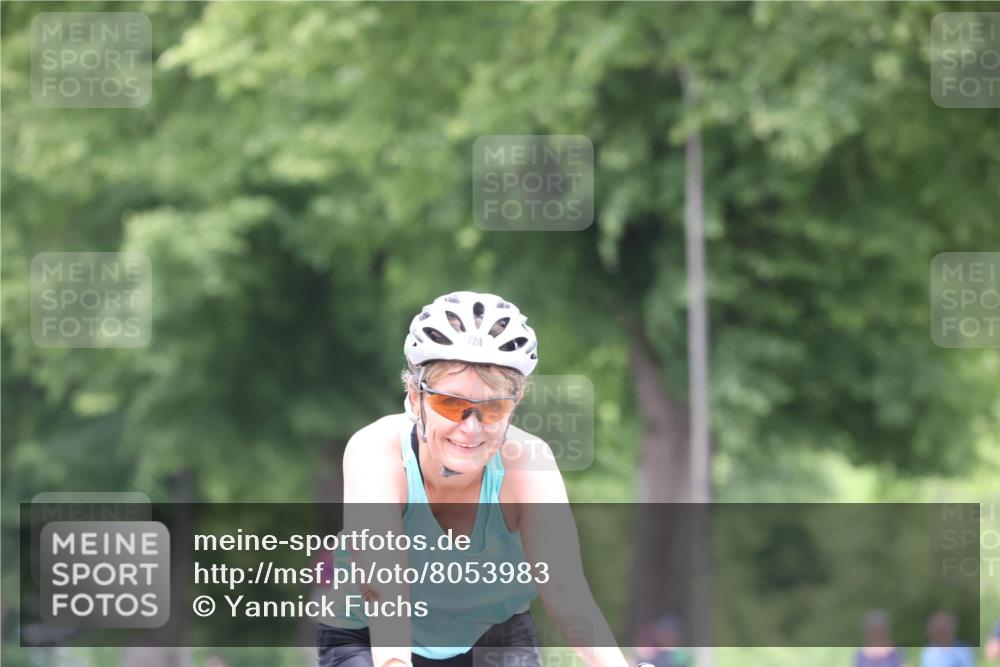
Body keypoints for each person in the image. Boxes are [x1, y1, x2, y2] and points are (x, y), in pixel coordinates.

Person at [317, 291, 630, 667]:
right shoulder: (375, 452)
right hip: (367, 636)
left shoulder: (529, 465)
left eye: (493, 407)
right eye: (451, 403)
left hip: (491, 636)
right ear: (416, 399)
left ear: (514, 406)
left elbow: (566, 593)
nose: (471, 428)